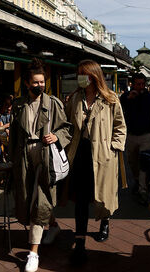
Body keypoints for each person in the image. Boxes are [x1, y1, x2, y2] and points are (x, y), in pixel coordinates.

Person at [9, 59, 71, 272]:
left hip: (46, 157)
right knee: (29, 198)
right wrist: (12, 161)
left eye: (42, 82)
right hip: (24, 157)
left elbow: (66, 128)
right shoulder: (18, 104)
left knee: (40, 201)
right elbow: (15, 136)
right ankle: (52, 225)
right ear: (27, 83)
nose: (39, 86)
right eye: (35, 82)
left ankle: (33, 253)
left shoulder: (54, 103)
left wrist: (57, 136)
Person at [64, 59, 127, 264]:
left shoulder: (110, 99)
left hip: (103, 154)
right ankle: (80, 241)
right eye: (78, 74)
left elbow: (120, 126)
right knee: (81, 198)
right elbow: (67, 125)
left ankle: (105, 222)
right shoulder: (74, 98)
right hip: (79, 153)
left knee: (102, 194)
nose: (80, 78)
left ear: (94, 76)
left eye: (84, 74)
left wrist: (114, 147)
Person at [120, 73, 150, 198]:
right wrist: (128, 99)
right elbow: (119, 111)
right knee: (132, 161)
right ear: (132, 84)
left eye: (143, 84)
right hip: (131, 134)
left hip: (146, 135)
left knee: (143, 161)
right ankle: (138, 180)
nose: (141, 86)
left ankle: (142, 188)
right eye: (138, 84)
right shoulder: (126, 96)